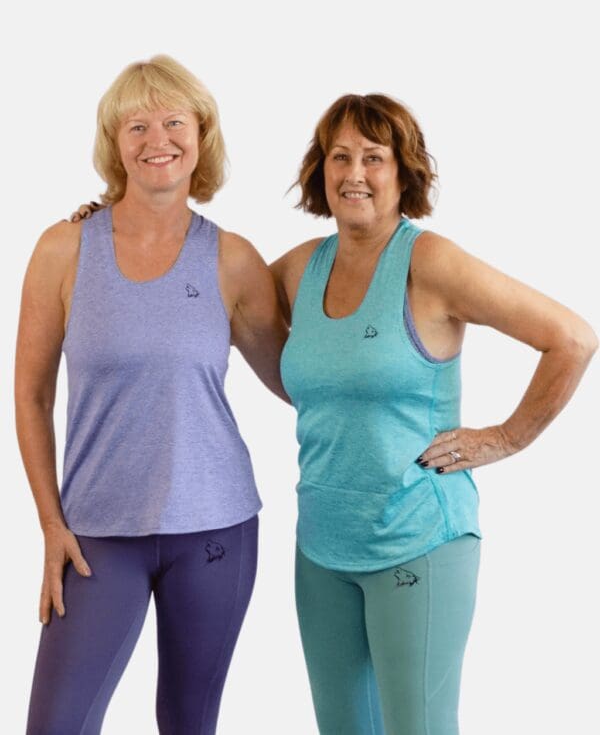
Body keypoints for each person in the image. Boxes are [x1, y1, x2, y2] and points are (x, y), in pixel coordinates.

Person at [269, 94, 598, 734]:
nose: (354, 174)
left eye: (373, 157)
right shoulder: (299, 270)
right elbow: (215, 285)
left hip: (416, 541)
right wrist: (108, 212)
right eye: (340, 157)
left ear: (404, 173)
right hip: (323, 547)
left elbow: (572, 338)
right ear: (320, 170)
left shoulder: (430, 262)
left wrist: (505, 438)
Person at [16, 55, 288, 735]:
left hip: (217, 529)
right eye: (135, 125)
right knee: (57, 724)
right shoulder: (64, 248)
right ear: (114, 143)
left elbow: (297, 380)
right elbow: (29, 394)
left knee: (188, 723)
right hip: (96, 535)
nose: (155, 139)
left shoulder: (232, 258)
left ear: (202, 137)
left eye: (173, 122)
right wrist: (51, 524)